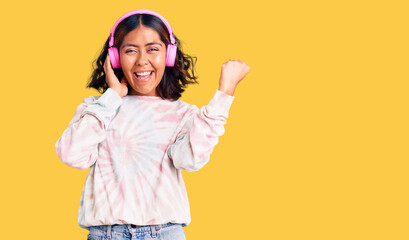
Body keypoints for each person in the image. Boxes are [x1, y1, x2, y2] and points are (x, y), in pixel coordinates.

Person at [55, 9, 250, 240]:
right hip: (106, 235)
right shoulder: (99, 109)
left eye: (152, 49)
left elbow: (190, 160)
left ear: (169, 55)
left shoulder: (183, 114)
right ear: (115, 58)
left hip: (164, 233)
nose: (142, 61)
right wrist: (112, 97)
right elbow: (70, 154)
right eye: (130, 51)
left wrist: (224, 94)